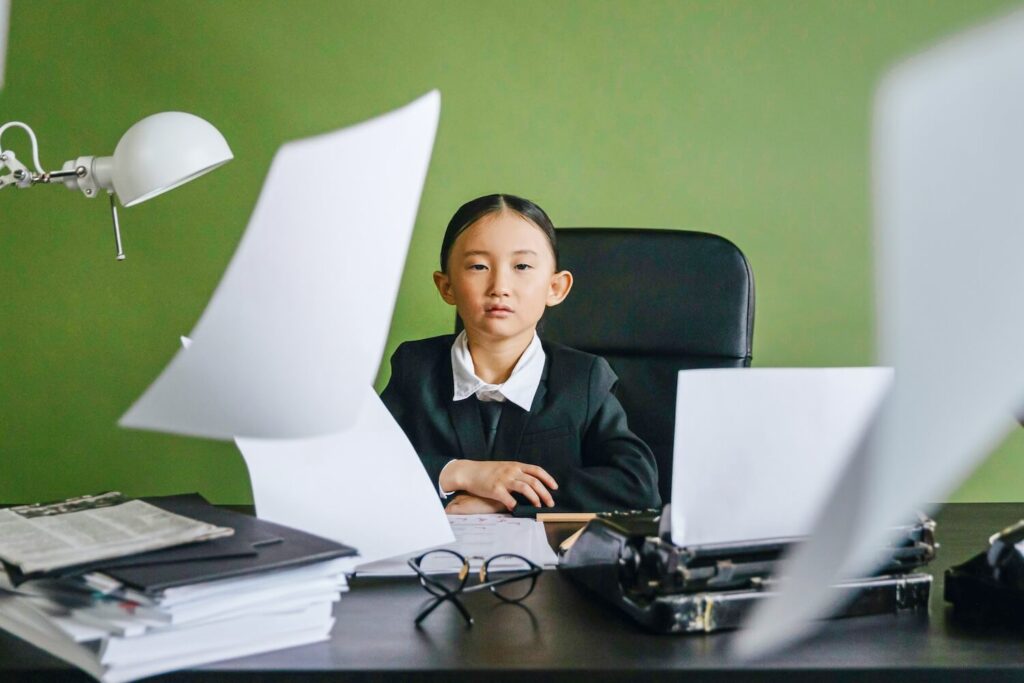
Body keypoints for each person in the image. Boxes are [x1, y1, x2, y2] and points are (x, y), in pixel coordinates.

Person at [381, 194, 660, 514]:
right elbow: (360, 464)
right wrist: (461, 473)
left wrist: (506, 499)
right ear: (447, 287)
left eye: (522, 266)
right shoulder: (416, 368)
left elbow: (636, 485)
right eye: (478, 266)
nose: (500, 286)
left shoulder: (583, 379)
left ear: (555, 287)